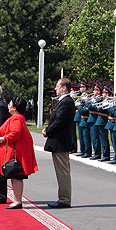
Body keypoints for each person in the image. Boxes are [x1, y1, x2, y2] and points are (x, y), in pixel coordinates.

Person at [0, 96, 38, 209]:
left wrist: (4, 138)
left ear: (14, 108)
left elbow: (15, 133)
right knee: (15, 177)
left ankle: (17, 201)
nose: (8, 106)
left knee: (16, 177)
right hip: (14, 151)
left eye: (9, 104)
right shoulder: (15, 117)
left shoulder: (16, 118)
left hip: (16, 153)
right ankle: (17, 200)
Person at [43, 78, 75, 209]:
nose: (55, 88)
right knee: (61, 171)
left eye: (57, 86)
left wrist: (48, 130)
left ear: (64, 88)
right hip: (58, 141)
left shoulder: (66, 102)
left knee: (62, 172)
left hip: (60, 142)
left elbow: (60, 121)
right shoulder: (63, 102)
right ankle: (63, 198)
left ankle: (64, 199)